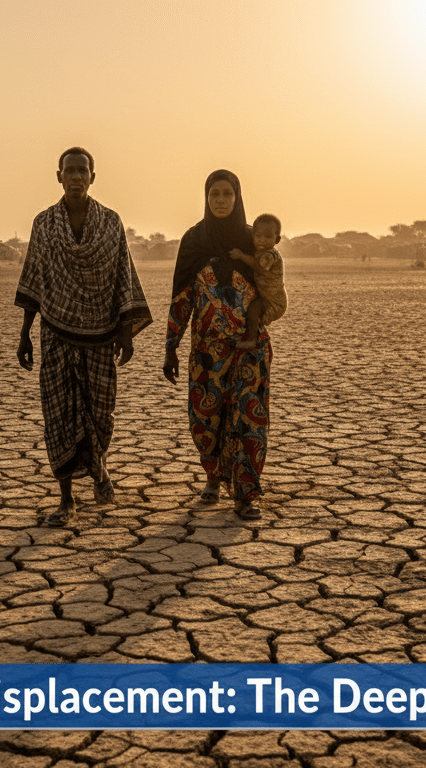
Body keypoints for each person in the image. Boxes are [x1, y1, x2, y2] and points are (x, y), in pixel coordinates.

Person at [15, 147, 151, 527]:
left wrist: (126, 334)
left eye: (83, 170)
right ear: (58, 176)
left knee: (99, 415)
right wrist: (25, 334)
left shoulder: (110, 223)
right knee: (58, 416)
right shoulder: (44, 224)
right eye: (69, 170)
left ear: (93, 176)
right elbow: (34, 279)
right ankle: (66, 499)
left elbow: (123, 278)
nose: (76, 176)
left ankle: (99, 467)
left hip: (101, 335)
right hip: (56, 333)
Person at [163, 170, 270, 521]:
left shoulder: (253, 240)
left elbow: (273, 285)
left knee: (248, 420)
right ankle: (213, 475)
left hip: (249, 347)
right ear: (206, 198)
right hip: (207, 351)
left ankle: (246, 493)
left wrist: (258, 319)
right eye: (214, 194)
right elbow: (182, 296)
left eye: (227, 194)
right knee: (205, 419)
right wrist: (171, 345)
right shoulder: (194, 240)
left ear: (237, 197)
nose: (220, 200)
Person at [230, 213, 287, 349]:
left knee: (253, 311)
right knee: (250, 311)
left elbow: (259, 268)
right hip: (266, 297)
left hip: (274, 302)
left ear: (277, 240)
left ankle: (251, 340)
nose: (262, 240)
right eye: (258, 236)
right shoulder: (259, 252)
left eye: (267, 237)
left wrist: (241, 256)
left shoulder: (270, 255)